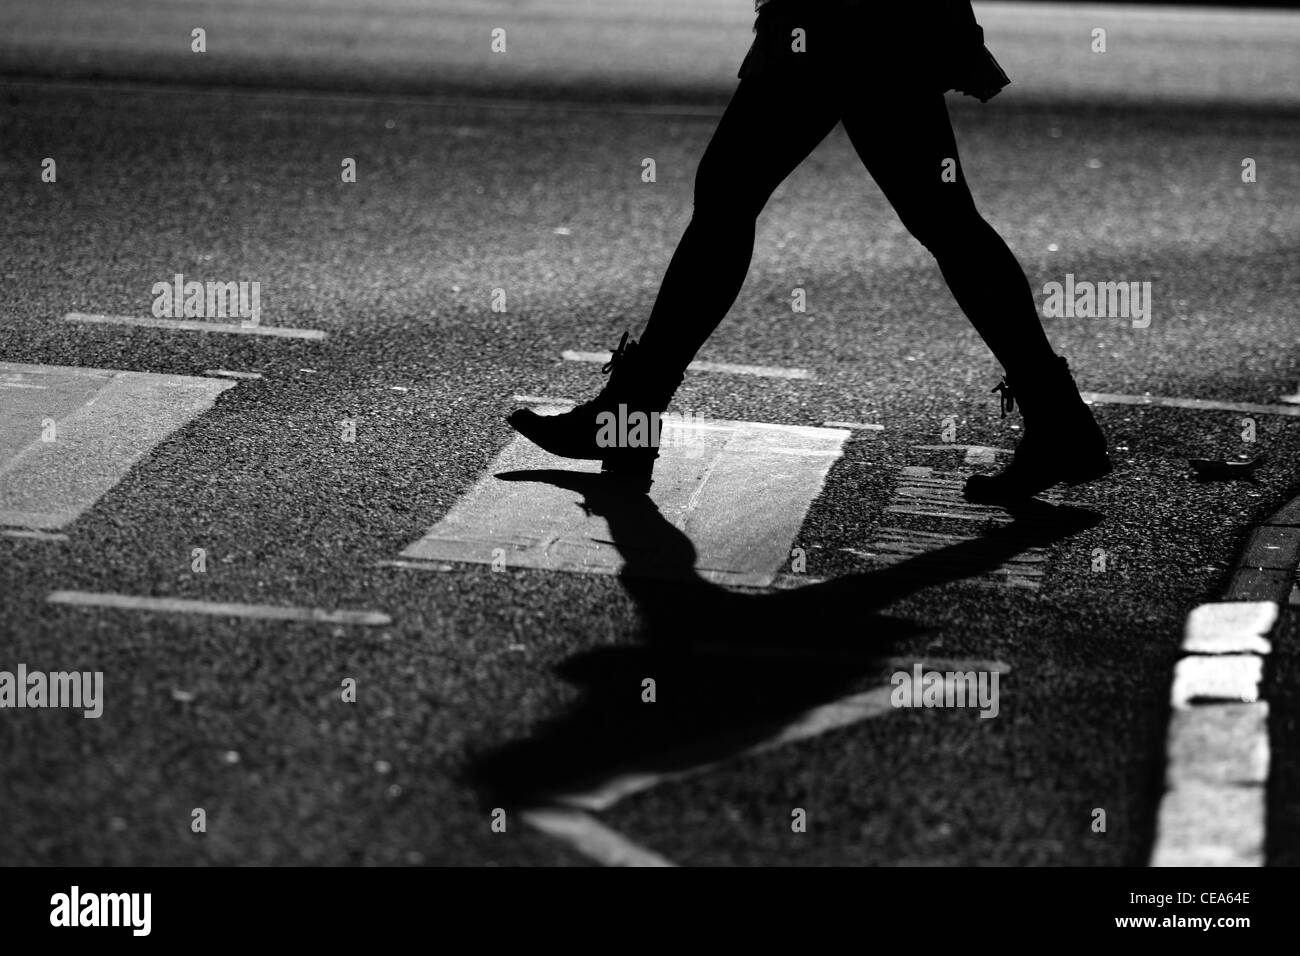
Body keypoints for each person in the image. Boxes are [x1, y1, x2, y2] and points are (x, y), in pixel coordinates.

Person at [508, 0, 1111, 502]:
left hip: (839, 13)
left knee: (729, 197)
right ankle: (1059, 418)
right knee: (940, 218)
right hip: (868, 12)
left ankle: (629, 418)